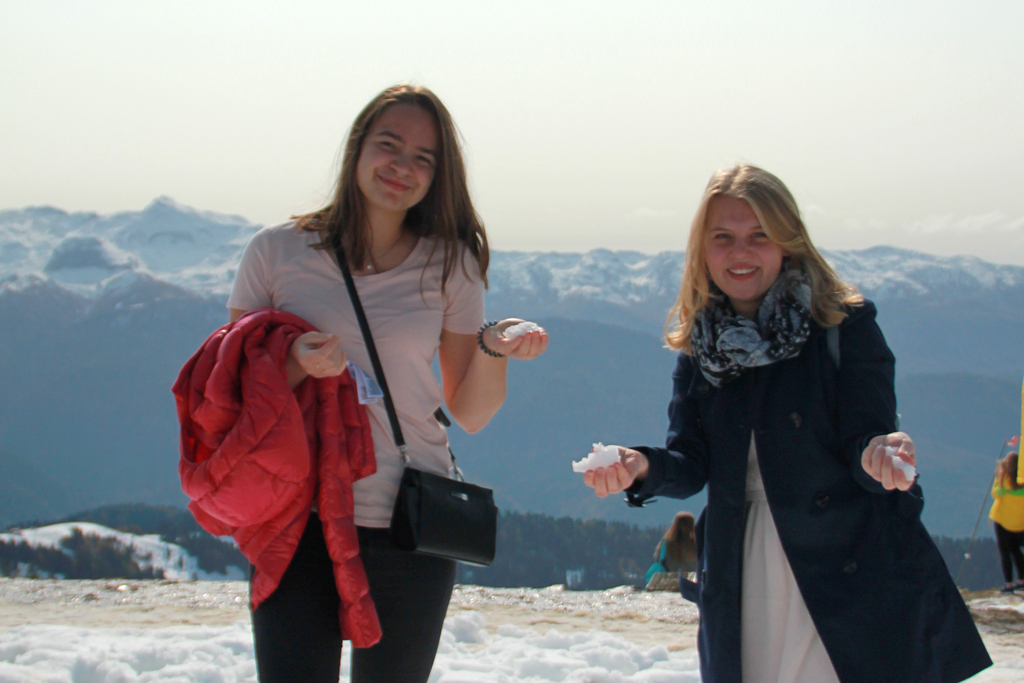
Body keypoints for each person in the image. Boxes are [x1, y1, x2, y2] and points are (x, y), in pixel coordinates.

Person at [185, 84, 547, 683]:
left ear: (438, 176)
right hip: (296, 518)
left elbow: (469, 411)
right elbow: (228, 388)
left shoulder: (451, 263)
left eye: (423, 158)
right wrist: (293, 361)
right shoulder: (276, 252)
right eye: (389, 145)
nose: (402, 166)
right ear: (357, 148)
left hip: (409, 520)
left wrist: (494, 349)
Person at [581, 165, 991, 683]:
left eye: (760, 235)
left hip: (842, 569)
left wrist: (882, 455)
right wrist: (639, 465)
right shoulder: (701, 344)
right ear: (702, 250)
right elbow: (691, 462)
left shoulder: (842, 325)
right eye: (723, 237)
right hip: (743, 570)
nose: (741, 253)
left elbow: (867, 437)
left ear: (788, 242)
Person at [989, 452, 1024, 592]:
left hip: (1002, 521)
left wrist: (999, 476)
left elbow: (996, 493)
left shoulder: (1004, 481)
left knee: (1005, 553)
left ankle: (1008, 584)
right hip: (1019, 523)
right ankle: (1022, 580)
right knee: (1016, 551)